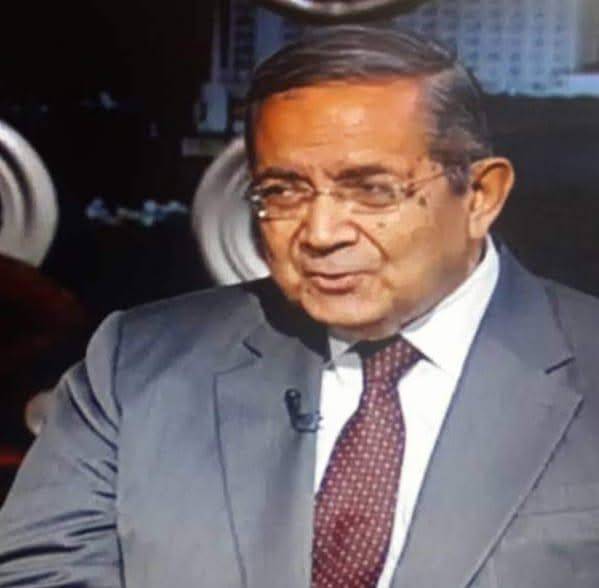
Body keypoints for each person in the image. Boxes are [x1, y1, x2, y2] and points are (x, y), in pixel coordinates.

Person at [1, 25, 599, 588]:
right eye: (283, 192)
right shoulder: (134, 367)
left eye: (371, 190)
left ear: (481, 196)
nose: (321, 232)